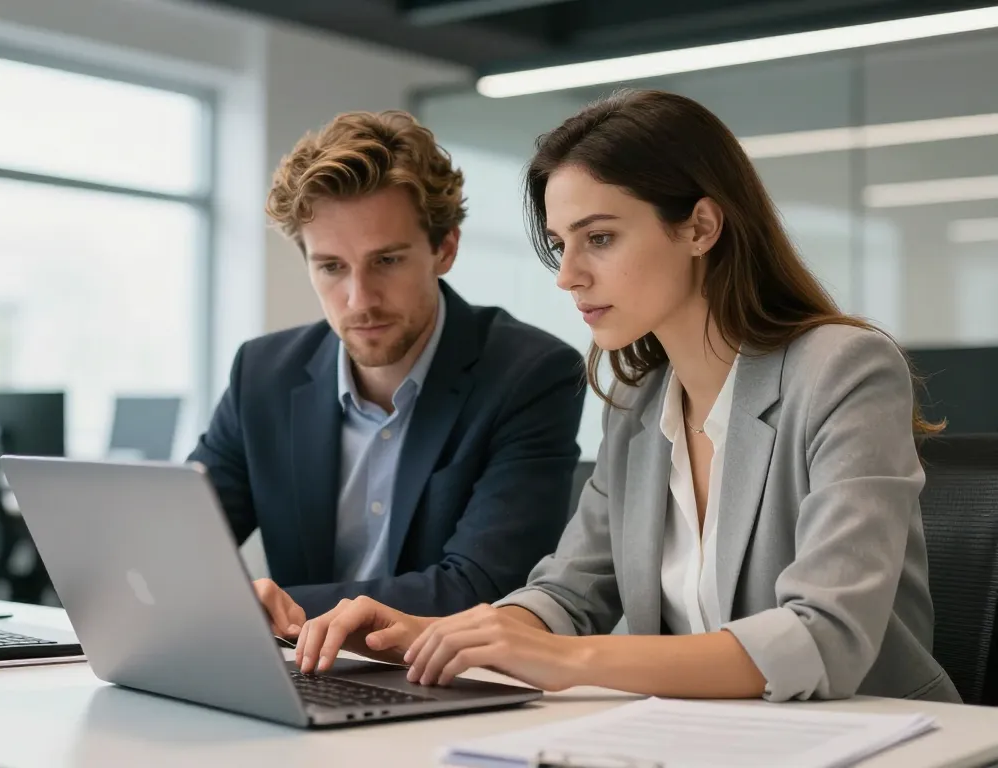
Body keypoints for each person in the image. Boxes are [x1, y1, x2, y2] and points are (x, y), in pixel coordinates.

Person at [291, 90, 962, 705]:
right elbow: (566, 592)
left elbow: (824, 635)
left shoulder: (845, 372)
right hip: (707, 740)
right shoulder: (642, 403)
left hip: (879, 742)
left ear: (700, 227)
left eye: (601, 238)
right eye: (560, 244)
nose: (569, 275)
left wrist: (570, 659)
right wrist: (429, 633)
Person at [188, 110, 586, 635]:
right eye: (331, 266)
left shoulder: (531, 374)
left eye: (388, 261)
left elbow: (482, 586)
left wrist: (273, 608)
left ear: (444, 249)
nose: (360, 299)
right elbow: (181, 550)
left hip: (452, 682)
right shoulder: (262, 375)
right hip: (299, 677)